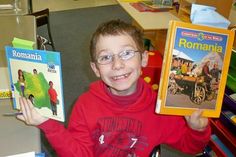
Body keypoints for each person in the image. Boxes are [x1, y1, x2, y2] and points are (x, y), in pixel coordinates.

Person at [17, 20, 210, 157]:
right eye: (105, 57)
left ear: (143, 58)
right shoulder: (85, 105)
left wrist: (196, 130)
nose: (117, 65)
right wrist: (46, 124)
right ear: (95, 69)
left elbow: (190, 146)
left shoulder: (159, 106)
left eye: (126, 53)